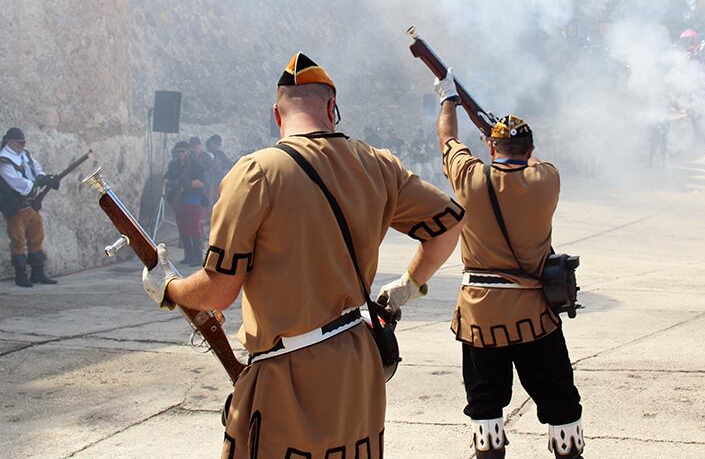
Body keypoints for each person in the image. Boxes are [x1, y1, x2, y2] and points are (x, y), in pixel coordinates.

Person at [142, 52, 464, 458]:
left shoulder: (255, 172)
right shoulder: (379, 164)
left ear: (276, 115)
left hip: (289, 372)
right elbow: (449, 225)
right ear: (332, 108)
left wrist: (169, 287)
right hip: (360, 363)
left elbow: (218, 291)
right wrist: (409, 285)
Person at [434, 69, 583, 459]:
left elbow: (447, 138)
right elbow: (524, 163)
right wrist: (499, 135)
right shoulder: (546, 178)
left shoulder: (469, 176)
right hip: (536, 312)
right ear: (530, 150)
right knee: (561, 403)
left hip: (481, 315)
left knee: (485, 408)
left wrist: (448, 97)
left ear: (490, 148)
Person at [0, 128, 60, 287]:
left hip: (30, 206)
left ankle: (37, 273)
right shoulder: (4, 160)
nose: (22, 145)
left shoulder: (25, 155)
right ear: (10, 142)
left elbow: (36, 170)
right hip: (15, 207)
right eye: (20, 143)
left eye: (23, 142)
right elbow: (18, 183)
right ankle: (21, 276)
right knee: (18, 240)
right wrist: (38, 183)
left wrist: (45, 178)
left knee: (36, 237)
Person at [162, 141, 206, 266]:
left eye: (183, 151)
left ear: (188, 151)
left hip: (193, 199)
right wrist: (171, 182)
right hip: (179, 200)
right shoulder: (174, 164)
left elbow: (202, 183)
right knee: (183, 229)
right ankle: (189, 255)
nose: (180, 154)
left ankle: (198, 257)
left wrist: (188, 182)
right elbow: (165, 178)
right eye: (178, 151)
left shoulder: (196, 165)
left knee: (194, 229)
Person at [205, 134, 233, 207]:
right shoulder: (204, 155)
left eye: (219, 144)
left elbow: (229, 164)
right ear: (211, 143)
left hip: (219, 184)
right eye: (217, 144)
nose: (218, 146)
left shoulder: (220, 153)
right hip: (208, 185)